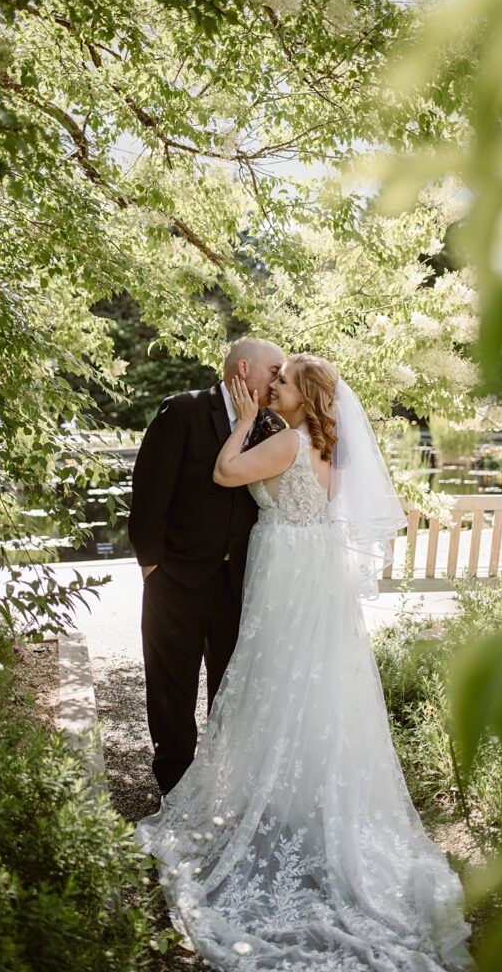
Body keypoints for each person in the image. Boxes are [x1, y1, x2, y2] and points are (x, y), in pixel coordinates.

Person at [136, 354, 472, 972]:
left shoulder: (286, 441)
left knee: (272, 679)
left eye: (284, 382)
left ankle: (272, 801)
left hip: (284, 575)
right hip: (315, 574)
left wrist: (240, 421)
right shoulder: (330, 447)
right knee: (313, 686)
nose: (273, 386)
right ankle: (303, 802)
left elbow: (225, 471)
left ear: (305, 397)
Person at [128, 337, 285, 795]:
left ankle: (219, 790)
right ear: (243, 370)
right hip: (174, 580)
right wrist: (151, 568)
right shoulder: (182, 411)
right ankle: (174, 789)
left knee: (230, 690)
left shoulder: (272, 427)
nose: (278, 380)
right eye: (274, 371)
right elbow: (148, 496)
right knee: (171, 689)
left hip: (238, 584)